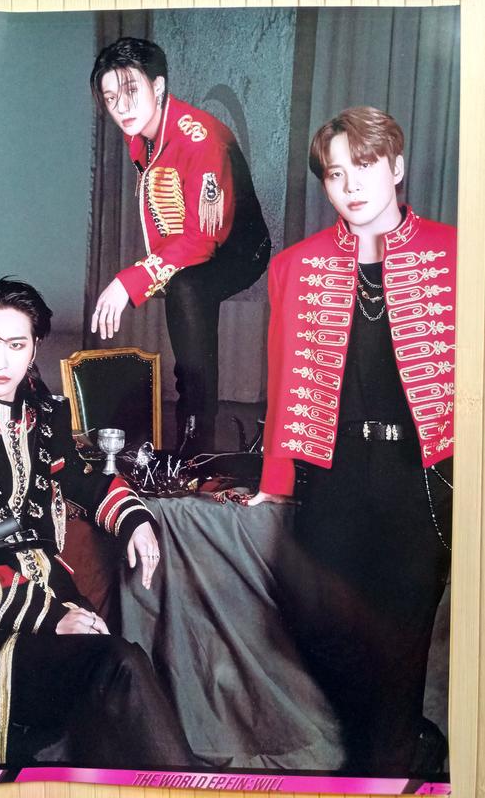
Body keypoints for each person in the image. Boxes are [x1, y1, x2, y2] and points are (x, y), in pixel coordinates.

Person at [249, 107, 455, 774]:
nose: (352, 186)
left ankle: (385, 767)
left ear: (396, 168)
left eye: (364, 166)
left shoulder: (458, 254)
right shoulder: (296, 266)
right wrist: (276, 479)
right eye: (336, 175)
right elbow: (284, 379)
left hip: (420, 475)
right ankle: (397, 746)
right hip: (331, 473)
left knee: (403, 637)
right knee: (324, 625)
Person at [0, 277, 195, 770]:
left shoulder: (42, 417)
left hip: (53, 594)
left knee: (121, 664)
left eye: (16, 345)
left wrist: (135, 520)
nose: (1, 361)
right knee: (118, 665)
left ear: (34, 348)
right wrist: (50, 619)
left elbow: (85, 481)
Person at [89, 37, 271, 454]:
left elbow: (203, 240)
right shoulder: (141, 132)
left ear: (158, 87)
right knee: (181, 285)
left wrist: (133, 279)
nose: (121, 107)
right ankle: (189, 441)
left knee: (187, 288)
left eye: (131, 91)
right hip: (194, 239)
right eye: (111, 97)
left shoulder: (200, 139)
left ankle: (195, 446)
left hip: (239, 248)